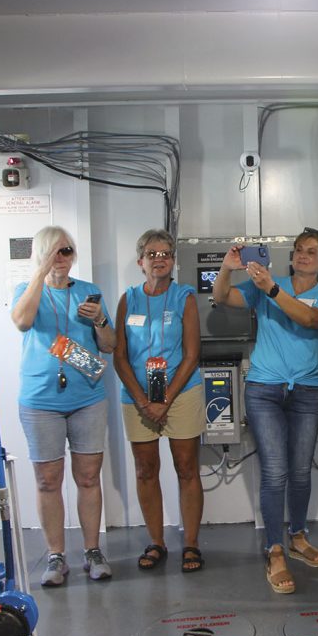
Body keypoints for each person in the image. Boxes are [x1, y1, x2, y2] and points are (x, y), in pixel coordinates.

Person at [212, 231, 318, 595]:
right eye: (299, 250)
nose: (302, 256)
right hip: (264, 390)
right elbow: (221, 297)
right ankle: (274, 549)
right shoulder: (267, 282)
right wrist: (226, 267)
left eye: (311, 252)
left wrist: (270, 290)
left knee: (300, 471)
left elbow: (312, 321)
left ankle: (298, 536)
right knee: (275, 471)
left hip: (306, 391)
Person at [11, 225, 116, 586]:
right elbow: (23, 322)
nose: (63, 258)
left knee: (88, 477)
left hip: (86, 397)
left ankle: (92, 550)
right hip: (41, 400)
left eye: (67, 251)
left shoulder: (89, 292)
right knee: (47, 480)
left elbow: (109, 345)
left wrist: (99, 320)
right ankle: (56, 556)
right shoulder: (26, 292)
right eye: (56, 251)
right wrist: (41, 272)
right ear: (42, 254)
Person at [113, 229, 207, 573]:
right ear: (141, 262)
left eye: (165, 253)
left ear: (173, 261)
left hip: (181, 394)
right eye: (152, 254)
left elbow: (192, 355)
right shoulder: (128, 300)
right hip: (137, 397)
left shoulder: (186, 297)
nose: (159, 259)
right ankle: (156, 541)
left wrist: (164, 400)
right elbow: (119, 356)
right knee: (145, 470)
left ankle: (192, 544)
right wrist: (143, 400)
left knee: (186, 468)